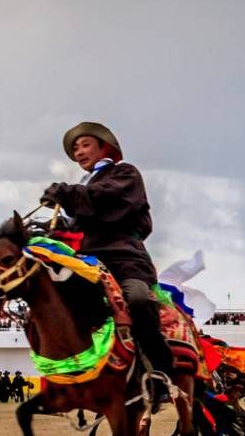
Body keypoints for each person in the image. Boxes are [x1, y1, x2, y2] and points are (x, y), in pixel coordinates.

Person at [41, 121, 175, 401]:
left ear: (105, 147)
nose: (78, 152)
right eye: (75, 148)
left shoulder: (125, 174)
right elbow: (76, 226)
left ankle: (161, 371)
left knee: (137, 298)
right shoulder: (83, 188)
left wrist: (67, 194)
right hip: (91, 261)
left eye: (85, 145)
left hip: (126, 257)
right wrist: (49, 231)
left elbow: (104, 197)